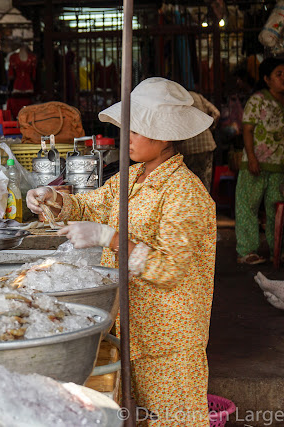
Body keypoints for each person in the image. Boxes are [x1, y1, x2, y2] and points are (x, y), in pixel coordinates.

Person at [26, 77, 216, 426]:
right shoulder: (130, 178)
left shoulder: (185, 193)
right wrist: (51, 198)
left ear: (163, 136)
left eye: (135, 131)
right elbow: (87, 206)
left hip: (169, 340)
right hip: (130, 325)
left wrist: (110, 238)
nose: (125, 138)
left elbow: (170, 267)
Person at [235, 57, 284, 265]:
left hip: (279, 166)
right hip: (255, 164)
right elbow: (247, 129)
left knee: (276, 211)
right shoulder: (258, 100)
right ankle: (247, 251)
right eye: (278, 74)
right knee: (248, 207)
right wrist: (252, 157)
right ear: (266, 79)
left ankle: (277, 251)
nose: (283, 78)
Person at [181, 91, 220, 192]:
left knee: (188, 184)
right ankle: (205, 206)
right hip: (206, 144)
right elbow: (216, 113)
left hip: (186, 147)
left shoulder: (176, 98)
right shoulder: (196, 96)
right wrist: (208, 127)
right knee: (205, 182)